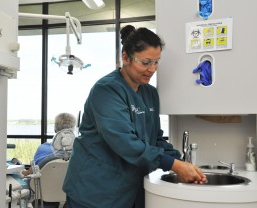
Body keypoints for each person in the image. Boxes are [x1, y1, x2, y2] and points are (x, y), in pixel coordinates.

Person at [63, 25, 206, 208]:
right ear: (125, 58)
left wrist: (181, 162)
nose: (152, 69)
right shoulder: (107, 90)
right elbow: (125, 142)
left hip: (128, 189)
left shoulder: (150, 94)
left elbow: (154, 138)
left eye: (156, 62)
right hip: (95, 190)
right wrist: (174, 165)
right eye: (146, 62)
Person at [22, 112, 76, 176]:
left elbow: (34, 169)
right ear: (73, 130)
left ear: (55, 129)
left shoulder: (43, 148)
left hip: (42, 185)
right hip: (70, 185)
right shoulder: (79, 151)